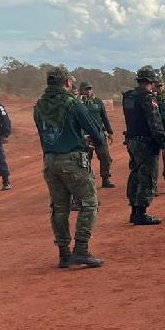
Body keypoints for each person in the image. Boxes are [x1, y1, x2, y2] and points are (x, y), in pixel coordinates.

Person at [33, 67, 106, 267]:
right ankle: (81, 249)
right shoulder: (72, 103)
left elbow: (45, 135)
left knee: (59, 208)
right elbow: (96, 133)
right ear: (66, 82)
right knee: (89, 203)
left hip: (50, 160)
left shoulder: (39, 105)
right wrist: (92, 140)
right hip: (73, 160)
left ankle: (64, 253)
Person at [123, 66, 165, 225]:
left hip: (132, 141)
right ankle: (141, 214)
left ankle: (134, 211)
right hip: (146, 144)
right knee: (147, 176)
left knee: (135, 174)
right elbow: (155, 124)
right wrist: (163, 145)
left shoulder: (129, 97)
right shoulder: (148, 98)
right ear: (151, 81)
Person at [78, 81, 115, 188]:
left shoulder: (98, 102)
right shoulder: (78, 103)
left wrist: (110, 132)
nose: (88, 91)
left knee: (105, 158)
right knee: (85, 159)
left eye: (90, 89)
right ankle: (87, 182)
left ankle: (105, 178)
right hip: (85, 136)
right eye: (86, 89)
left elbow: (104, 117)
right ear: (81, 90)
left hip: (99, 134)